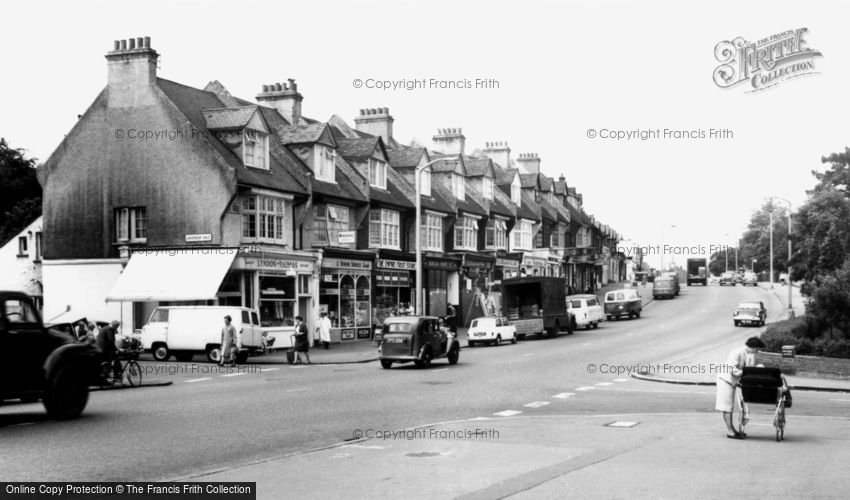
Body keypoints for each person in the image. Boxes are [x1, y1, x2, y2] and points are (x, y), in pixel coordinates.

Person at [716, 336, 765, 439]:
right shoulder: (736, 352)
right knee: (727, 407)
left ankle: (732, 430)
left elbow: (748, 368)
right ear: (753, 346)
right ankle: (730, 432)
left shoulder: (748, 354)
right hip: (725, 380)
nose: (757, 352)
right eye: (757, 349)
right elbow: (732, 369)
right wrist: (747, 372)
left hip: (732, 381)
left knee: (730, 407)